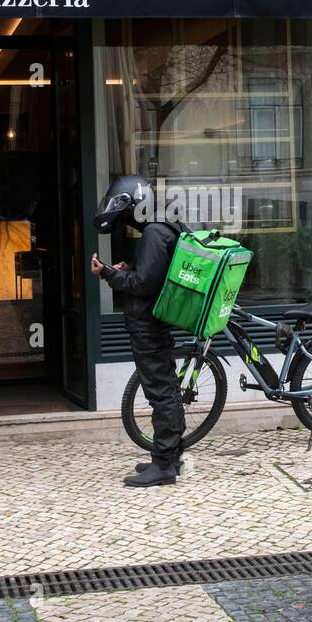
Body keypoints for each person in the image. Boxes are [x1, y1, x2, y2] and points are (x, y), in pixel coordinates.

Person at [90, 174, 185, 487]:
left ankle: (165, 465)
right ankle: (169, 456)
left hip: (149, 325)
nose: (127, 220)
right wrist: (127, 272)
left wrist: (107, 273)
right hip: (155, 321)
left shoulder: (155, 233)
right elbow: (151, 277)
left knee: (161, 391)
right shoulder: (165, 226)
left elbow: (143, 285)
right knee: (166, 387)